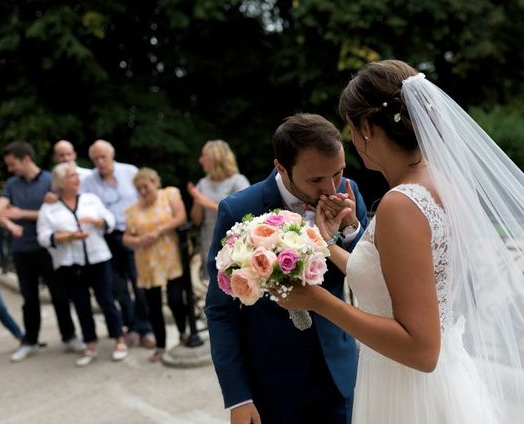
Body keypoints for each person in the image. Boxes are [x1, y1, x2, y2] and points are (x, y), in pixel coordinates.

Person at [277, 60, 524, 423]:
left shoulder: (402, 204)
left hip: (410, 392)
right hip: (434, 379)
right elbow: (396, 277)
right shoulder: (441, 182)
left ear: (367, 128)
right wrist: (322, 245)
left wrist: (319, 301)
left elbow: (422, 349)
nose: (353, 140)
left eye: (352, 129)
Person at [205, 113, 369, 424]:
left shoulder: (350, 191)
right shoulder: (238, 209)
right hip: (271, 382)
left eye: (338, 172)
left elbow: (373, 277)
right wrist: (238, 396)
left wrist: (351, 232)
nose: (330, 187)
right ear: (281, 167)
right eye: (316, 179)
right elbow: (220, 310)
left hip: (339, 372)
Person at [0, 141, 83, 362]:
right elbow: (0, 211)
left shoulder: (49, 180)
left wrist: (22, 214)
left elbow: (56, 212)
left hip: (47, 248)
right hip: (21, 249)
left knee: (59, 294)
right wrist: (10, 224)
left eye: (12, 164)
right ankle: (30, 340)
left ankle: (69, 336)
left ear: (26, 160)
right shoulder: (12, 184)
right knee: (29, 297)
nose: (10, 169)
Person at [37, 162, 128, 366]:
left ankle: (119, 338)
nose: (77, 178)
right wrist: (64, 236)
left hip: (97, 258)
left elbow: (109, 220)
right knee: (81, 304)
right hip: (70, 264)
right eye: (71, 176)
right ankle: (90, 343)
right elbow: (43, 237)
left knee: (106, 300)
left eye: (76, 175)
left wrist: (97, 222)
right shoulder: (49, 207)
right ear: (61, 182)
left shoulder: (90, 199)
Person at [81, 139, 155, 348]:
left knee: (139, 283)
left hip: (132, 234)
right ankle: (130, 326)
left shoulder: (129, 171)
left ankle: (145, 327)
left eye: (103, 156)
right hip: (107, 237)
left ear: (111, 154)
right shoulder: (88, 182)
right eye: (95, 158)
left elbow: (145, 197)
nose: (99, 161)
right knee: (118, 287)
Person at [123, 168, 188, 362]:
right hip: (147, 262)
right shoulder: (132, 209)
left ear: (155, 183)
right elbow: (126, 237)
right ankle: (160, 345)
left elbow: (180, 217)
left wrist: (158, 231)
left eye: (146, 186)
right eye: (139, 188)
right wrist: (138, 241)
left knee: (176, 299)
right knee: (153, 305)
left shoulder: (169, 195)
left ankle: (183, 333)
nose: (143, 191)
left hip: (170, 258)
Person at [187, 140, 250, 277]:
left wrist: (205, 201)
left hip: (235, 242)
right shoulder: (202, 183)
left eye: (204, 155)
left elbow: (244, 214)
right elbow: (196, 220)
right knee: (213, 283)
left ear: (215, 157)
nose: (200, 160)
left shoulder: (238, 181)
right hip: (209, 241)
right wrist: (197, 199)